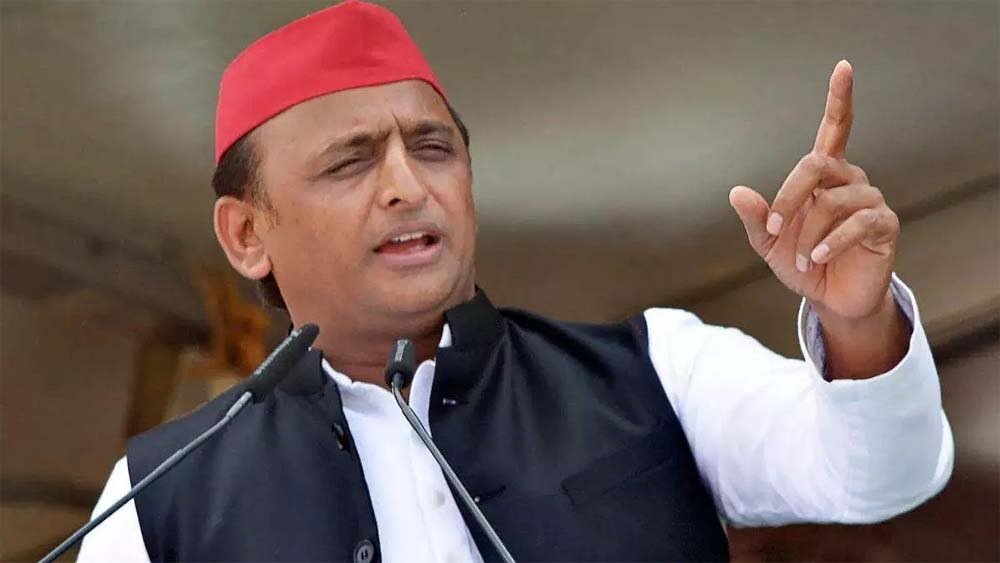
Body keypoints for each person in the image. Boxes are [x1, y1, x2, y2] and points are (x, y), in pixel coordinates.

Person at [78, 1, 952, 561]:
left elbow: (884, 475)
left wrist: (858, 319)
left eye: (432, 148)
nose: (407, 185)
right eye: (350, 162)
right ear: (246, 234)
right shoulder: (160, 495)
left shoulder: (653, 368)